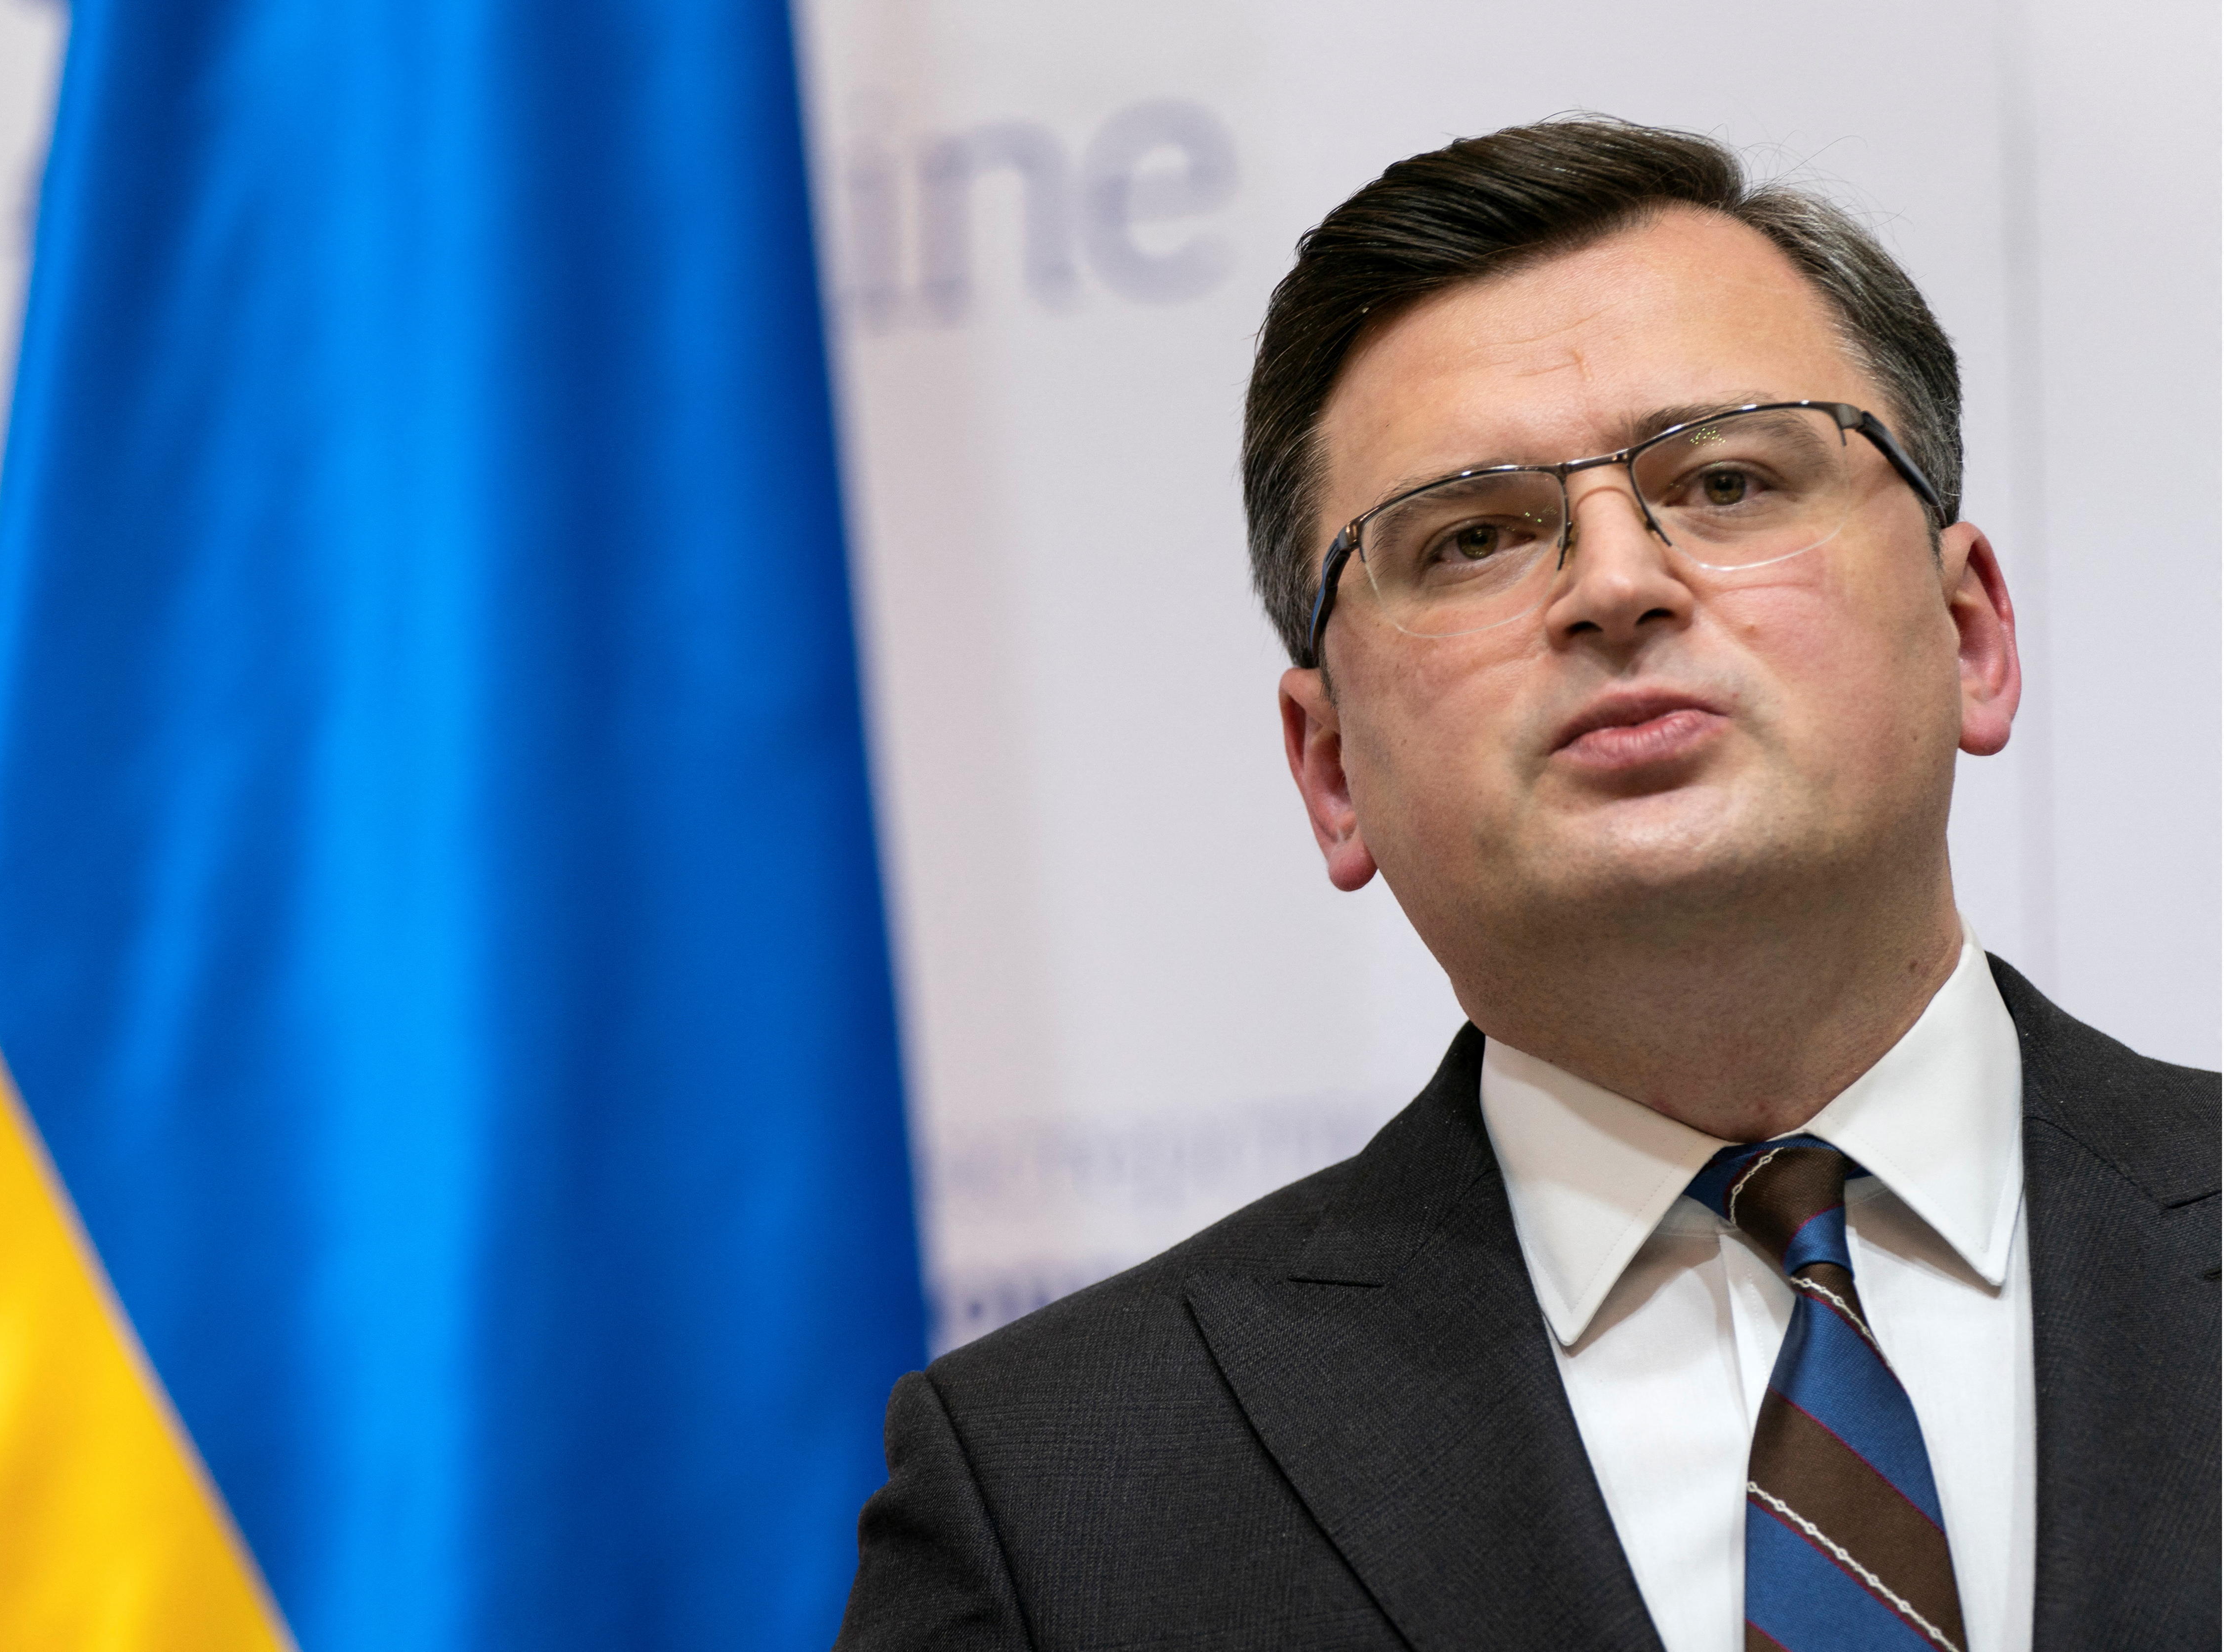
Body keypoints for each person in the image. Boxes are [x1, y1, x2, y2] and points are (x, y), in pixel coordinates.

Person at [832, 118, 2218, 1652]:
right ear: (1332, 770)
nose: (1617, 584)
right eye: (1475, 538)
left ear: (1970, 633)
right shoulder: (1058, 1506)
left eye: (1731, 479)